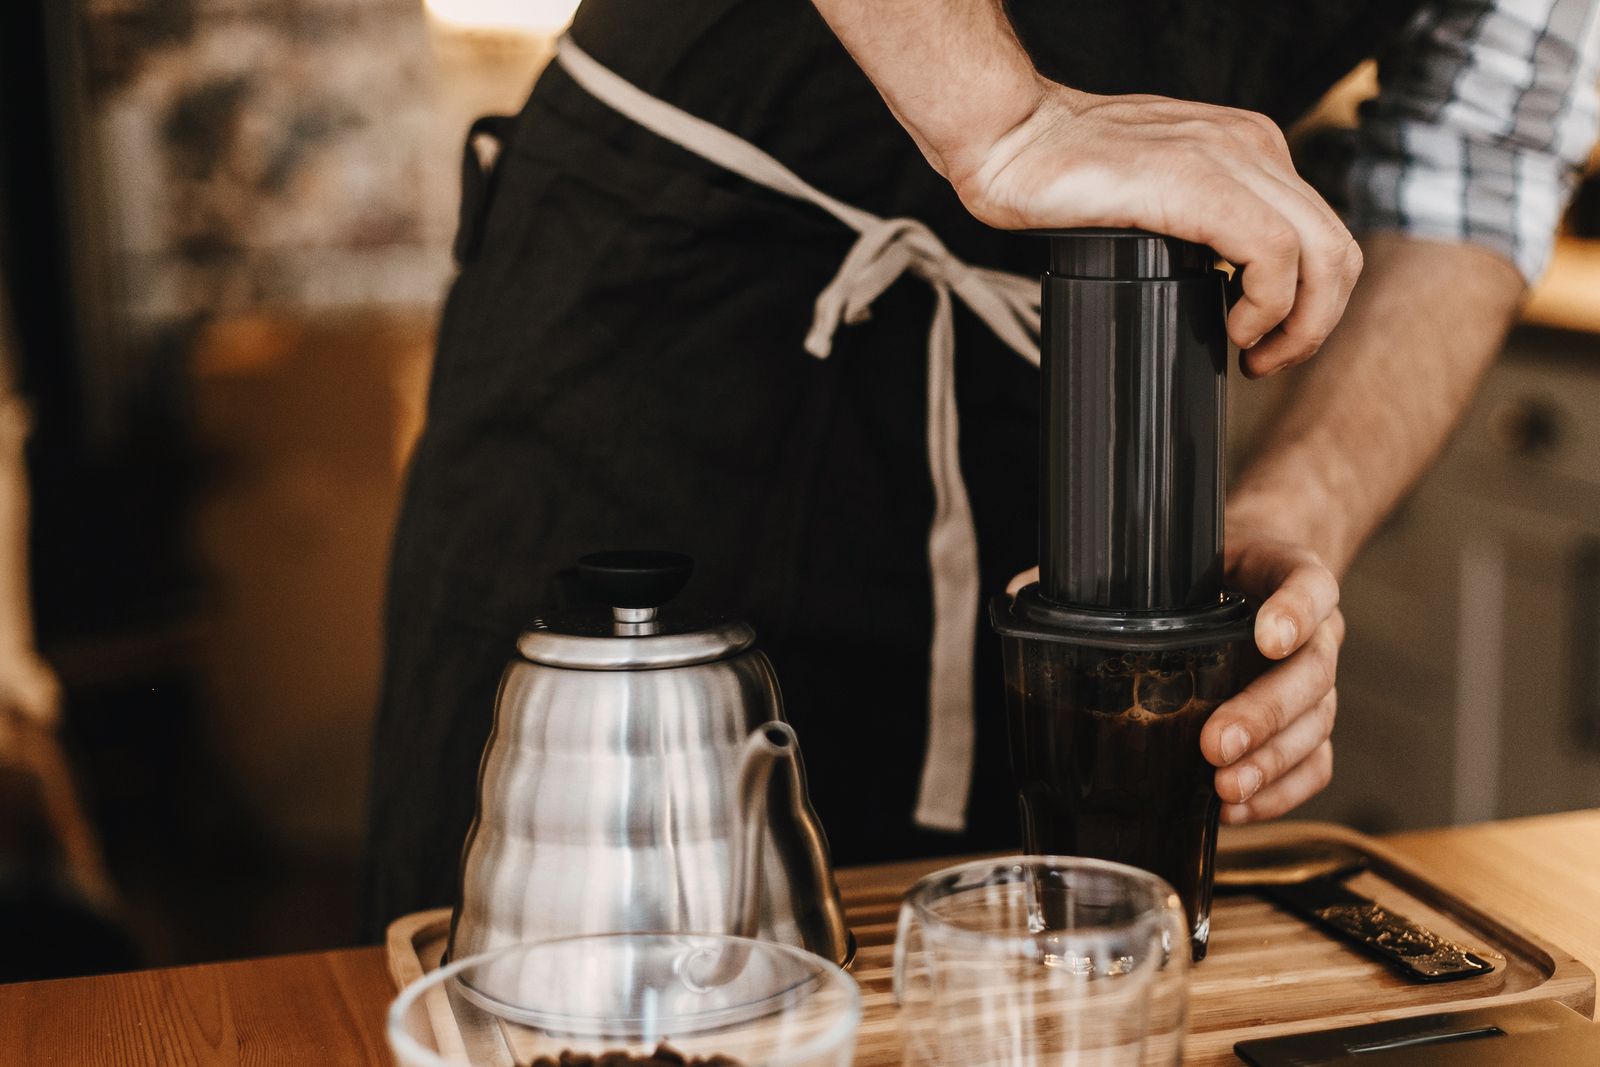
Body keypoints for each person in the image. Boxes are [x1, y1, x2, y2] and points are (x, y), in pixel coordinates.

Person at [362, 0, 1600, 930]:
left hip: (1059, 426)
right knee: (549, 932)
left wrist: (1281, 529)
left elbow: (1477, 155)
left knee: (1002, 971)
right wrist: (996, 115)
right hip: (660, 318)